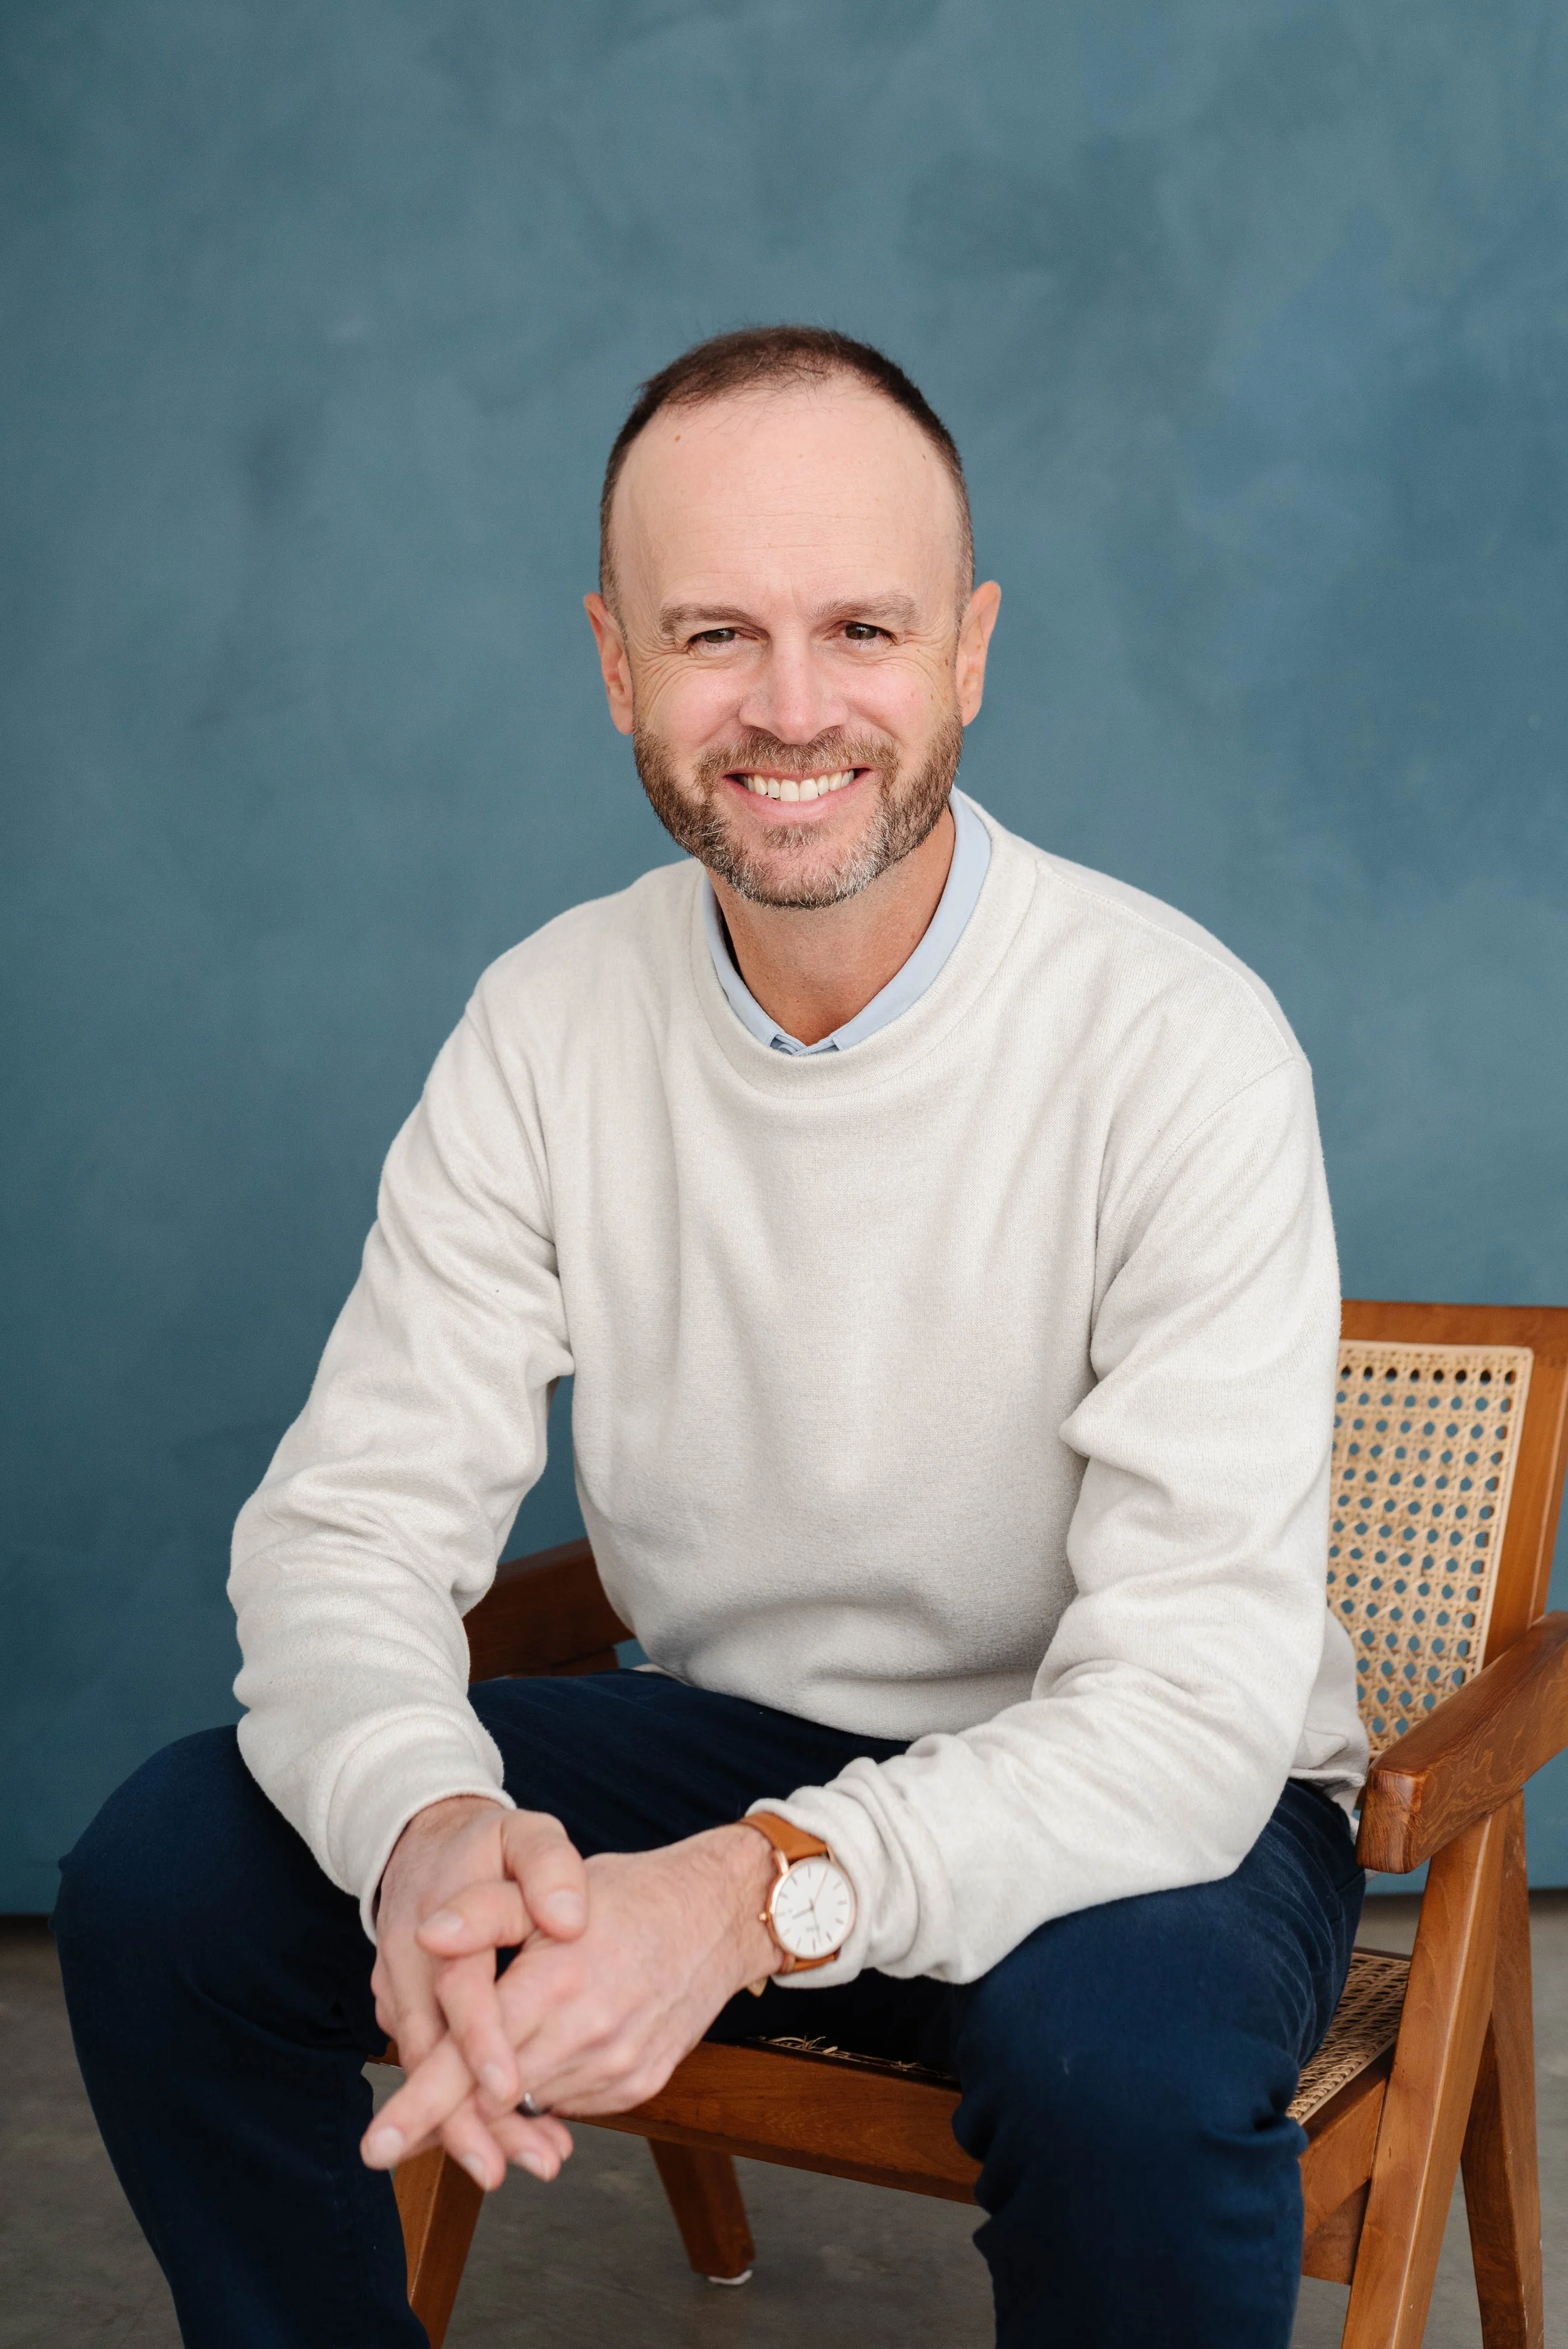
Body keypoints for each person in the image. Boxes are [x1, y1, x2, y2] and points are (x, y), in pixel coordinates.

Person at [55, 326, 1369, 2347]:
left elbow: (1187, 1709)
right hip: (741, 1722)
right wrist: (423, 1819)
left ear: (966, 654)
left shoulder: (1174, 1040)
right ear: (614, 667)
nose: (788, 707)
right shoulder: (545, 1022)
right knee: (168, 1877)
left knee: (1122, 2067)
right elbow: (349, 1528)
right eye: (711, 634)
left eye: (861, 625)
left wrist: (739, 1894)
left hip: (1140, 1784)